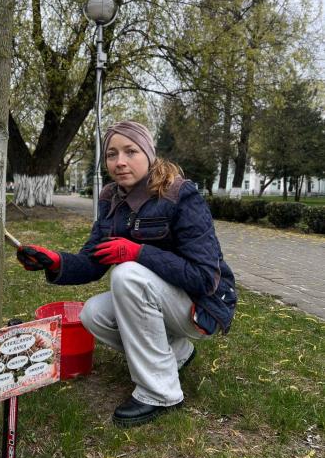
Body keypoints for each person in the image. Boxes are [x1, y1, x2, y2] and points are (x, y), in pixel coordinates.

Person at [16, 121, 237, 428]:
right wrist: (54, 262)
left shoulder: (179, 195)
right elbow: (92, 262)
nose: (120, 161)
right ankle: (177, 354)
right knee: (93, 314)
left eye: (130, 151)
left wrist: (138, 252)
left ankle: (160, 392)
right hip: (161, 298)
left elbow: (204, 276)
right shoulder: (111, 198)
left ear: (148, 153)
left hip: (203, 305)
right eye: (112, 154)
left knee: (127, 274)